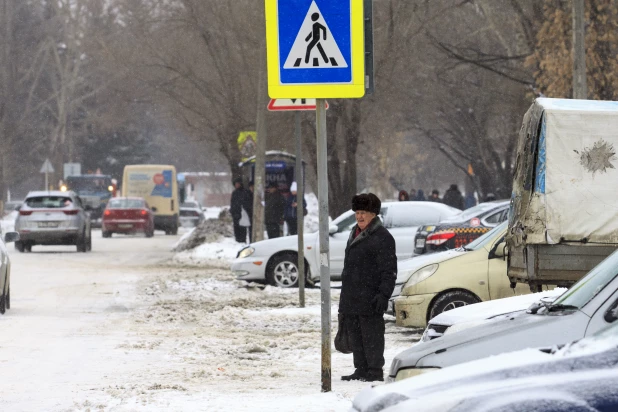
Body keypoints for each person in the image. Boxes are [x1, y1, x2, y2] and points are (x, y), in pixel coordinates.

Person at [339, 193, 397, 383]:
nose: (359, 216)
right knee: (356, 336)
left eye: (364, 212)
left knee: (372, 336)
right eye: (357, 212)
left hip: (371, 298)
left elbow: (389, 271)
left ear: (373, 214)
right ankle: (361, 369)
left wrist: (383, 295)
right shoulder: (354, 233)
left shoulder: (382, 237)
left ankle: (374, 371)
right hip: (353, 297)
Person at [230, 177, 252, 243]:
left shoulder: (245, 192)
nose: (236, 185)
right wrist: (232, 212)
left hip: (242, 215)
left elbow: (247, 203)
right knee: (237, 231)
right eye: (235, 184)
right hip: (235, 215)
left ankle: (242, 241)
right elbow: (232, 203)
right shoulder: (234, 193)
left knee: (242, 230)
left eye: (238, 183)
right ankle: (238, 241)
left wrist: (244, 211)